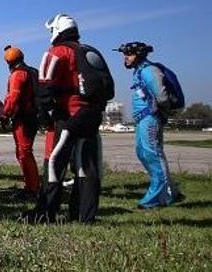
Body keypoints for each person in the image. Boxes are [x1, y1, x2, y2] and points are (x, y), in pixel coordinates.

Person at [22, 14, 112, 223]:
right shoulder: (90, 51)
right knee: (85, 165)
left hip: (69, 115)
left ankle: (45, 213)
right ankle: (83, 215)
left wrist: (45, 115)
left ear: (56, 30)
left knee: (55, 163)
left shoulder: (57, 52)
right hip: (91, 115)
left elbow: (45, 86)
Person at [115, 41, 183, 209]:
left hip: (150, 118)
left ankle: (154, 197)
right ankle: (170, 193)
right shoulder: (139, 71)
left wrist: (161, 114)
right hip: (142, 119)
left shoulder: (149, 71)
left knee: (153, 154)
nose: (125, 58)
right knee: (143, 152)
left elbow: (162, 96)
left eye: (128, 54)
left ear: (138, 55)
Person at [1, 45, 41, 199]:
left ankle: (32, 188)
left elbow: (13, 98)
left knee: (24, 152)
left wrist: (5, 115)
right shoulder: (33, 72)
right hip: (33, 116)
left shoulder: (18, 75)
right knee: (25, 152)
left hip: (23, 118)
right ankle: (32, 185)